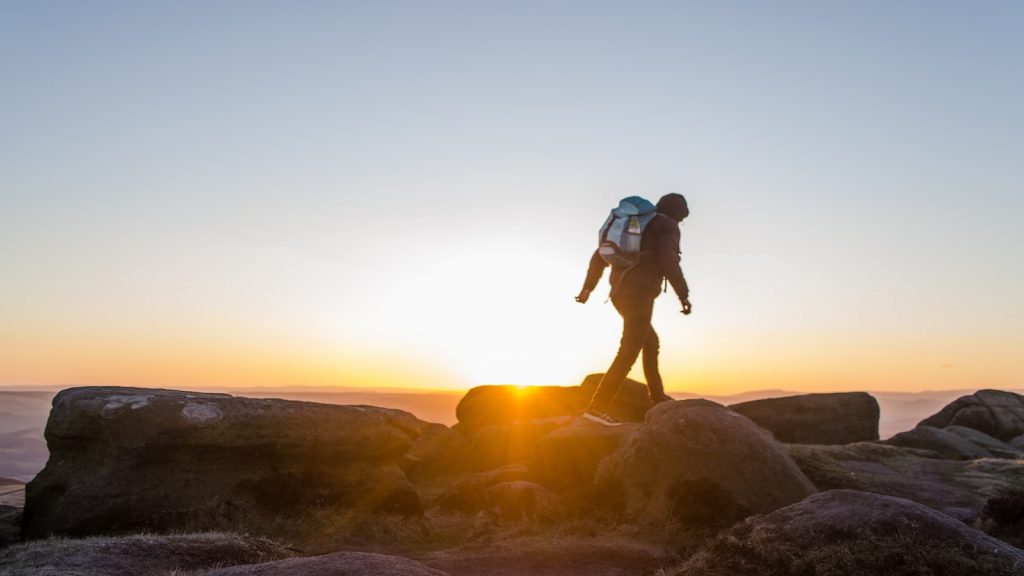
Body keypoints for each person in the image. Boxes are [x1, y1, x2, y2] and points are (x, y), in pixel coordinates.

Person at [575, 193, 691, 426]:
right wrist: (683, 294)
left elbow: (599, 255)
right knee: (629, 350)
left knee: (650, 342)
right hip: (639, 293)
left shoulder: (635, 224)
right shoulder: (667, 226)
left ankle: (657, 399)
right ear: (678, 215)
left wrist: (588, 288)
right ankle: (597, 407)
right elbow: (669, 260)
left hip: (619, 292)